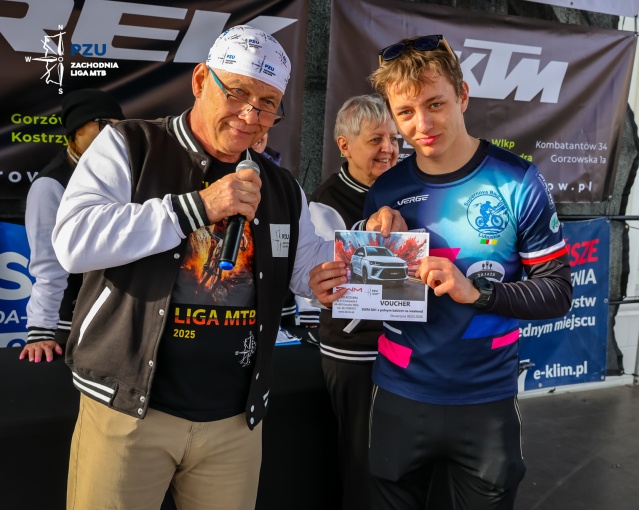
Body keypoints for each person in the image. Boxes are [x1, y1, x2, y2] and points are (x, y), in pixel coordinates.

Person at [51, 25, 401, 510]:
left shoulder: (279, 185)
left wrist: (378, 244)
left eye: (267, 104)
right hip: (129, 411)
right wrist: (197, 207)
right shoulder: (131, 144)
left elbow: (309, 266)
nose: (250, 115)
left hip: (234, 422)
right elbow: (73, 242)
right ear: (200, 81)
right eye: (237, 93)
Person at [309, 34, 573, 509]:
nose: (422, 124)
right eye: (406, 112)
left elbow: (557, 292)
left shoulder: (517, 180)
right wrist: (340, 285)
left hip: (485, 402)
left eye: (435, 104)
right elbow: (377, 302)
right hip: (398, 398)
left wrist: (479, 293)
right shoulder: (386, 189)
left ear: (463, 96)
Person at [309, 94, 399, 509]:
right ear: (344, 146)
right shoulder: (325, 200)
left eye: (394, 139)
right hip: (356, 351)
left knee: (398, 460)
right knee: (364, 461)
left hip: (403, 347)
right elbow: (333, 278)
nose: (389, 149)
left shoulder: (405, 187)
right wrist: (373, 233)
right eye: (376, 139)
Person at [21, 88, 125, 363]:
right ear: (77, 130)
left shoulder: (121, 173)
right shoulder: (50, 184)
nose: (113, 133)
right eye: (103, 124)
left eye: (119, 126)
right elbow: (48, 264)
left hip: (117, 319)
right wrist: (41, 330)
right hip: (72, 325)